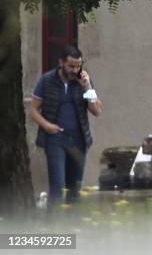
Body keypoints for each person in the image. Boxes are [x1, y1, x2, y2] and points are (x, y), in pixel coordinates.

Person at [30, 45, 102, 206]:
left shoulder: (84, 82)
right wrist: (47, 126)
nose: (75, 70)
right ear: (61, 63)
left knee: (74, 189)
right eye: (71, 66)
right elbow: (33, 110)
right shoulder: (47, 80)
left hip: (78, 140)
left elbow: (96, 110)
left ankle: (72, 227)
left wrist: (88, 87)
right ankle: (54, 227)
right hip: (56, 139)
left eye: (78, 65)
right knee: (58, 187)